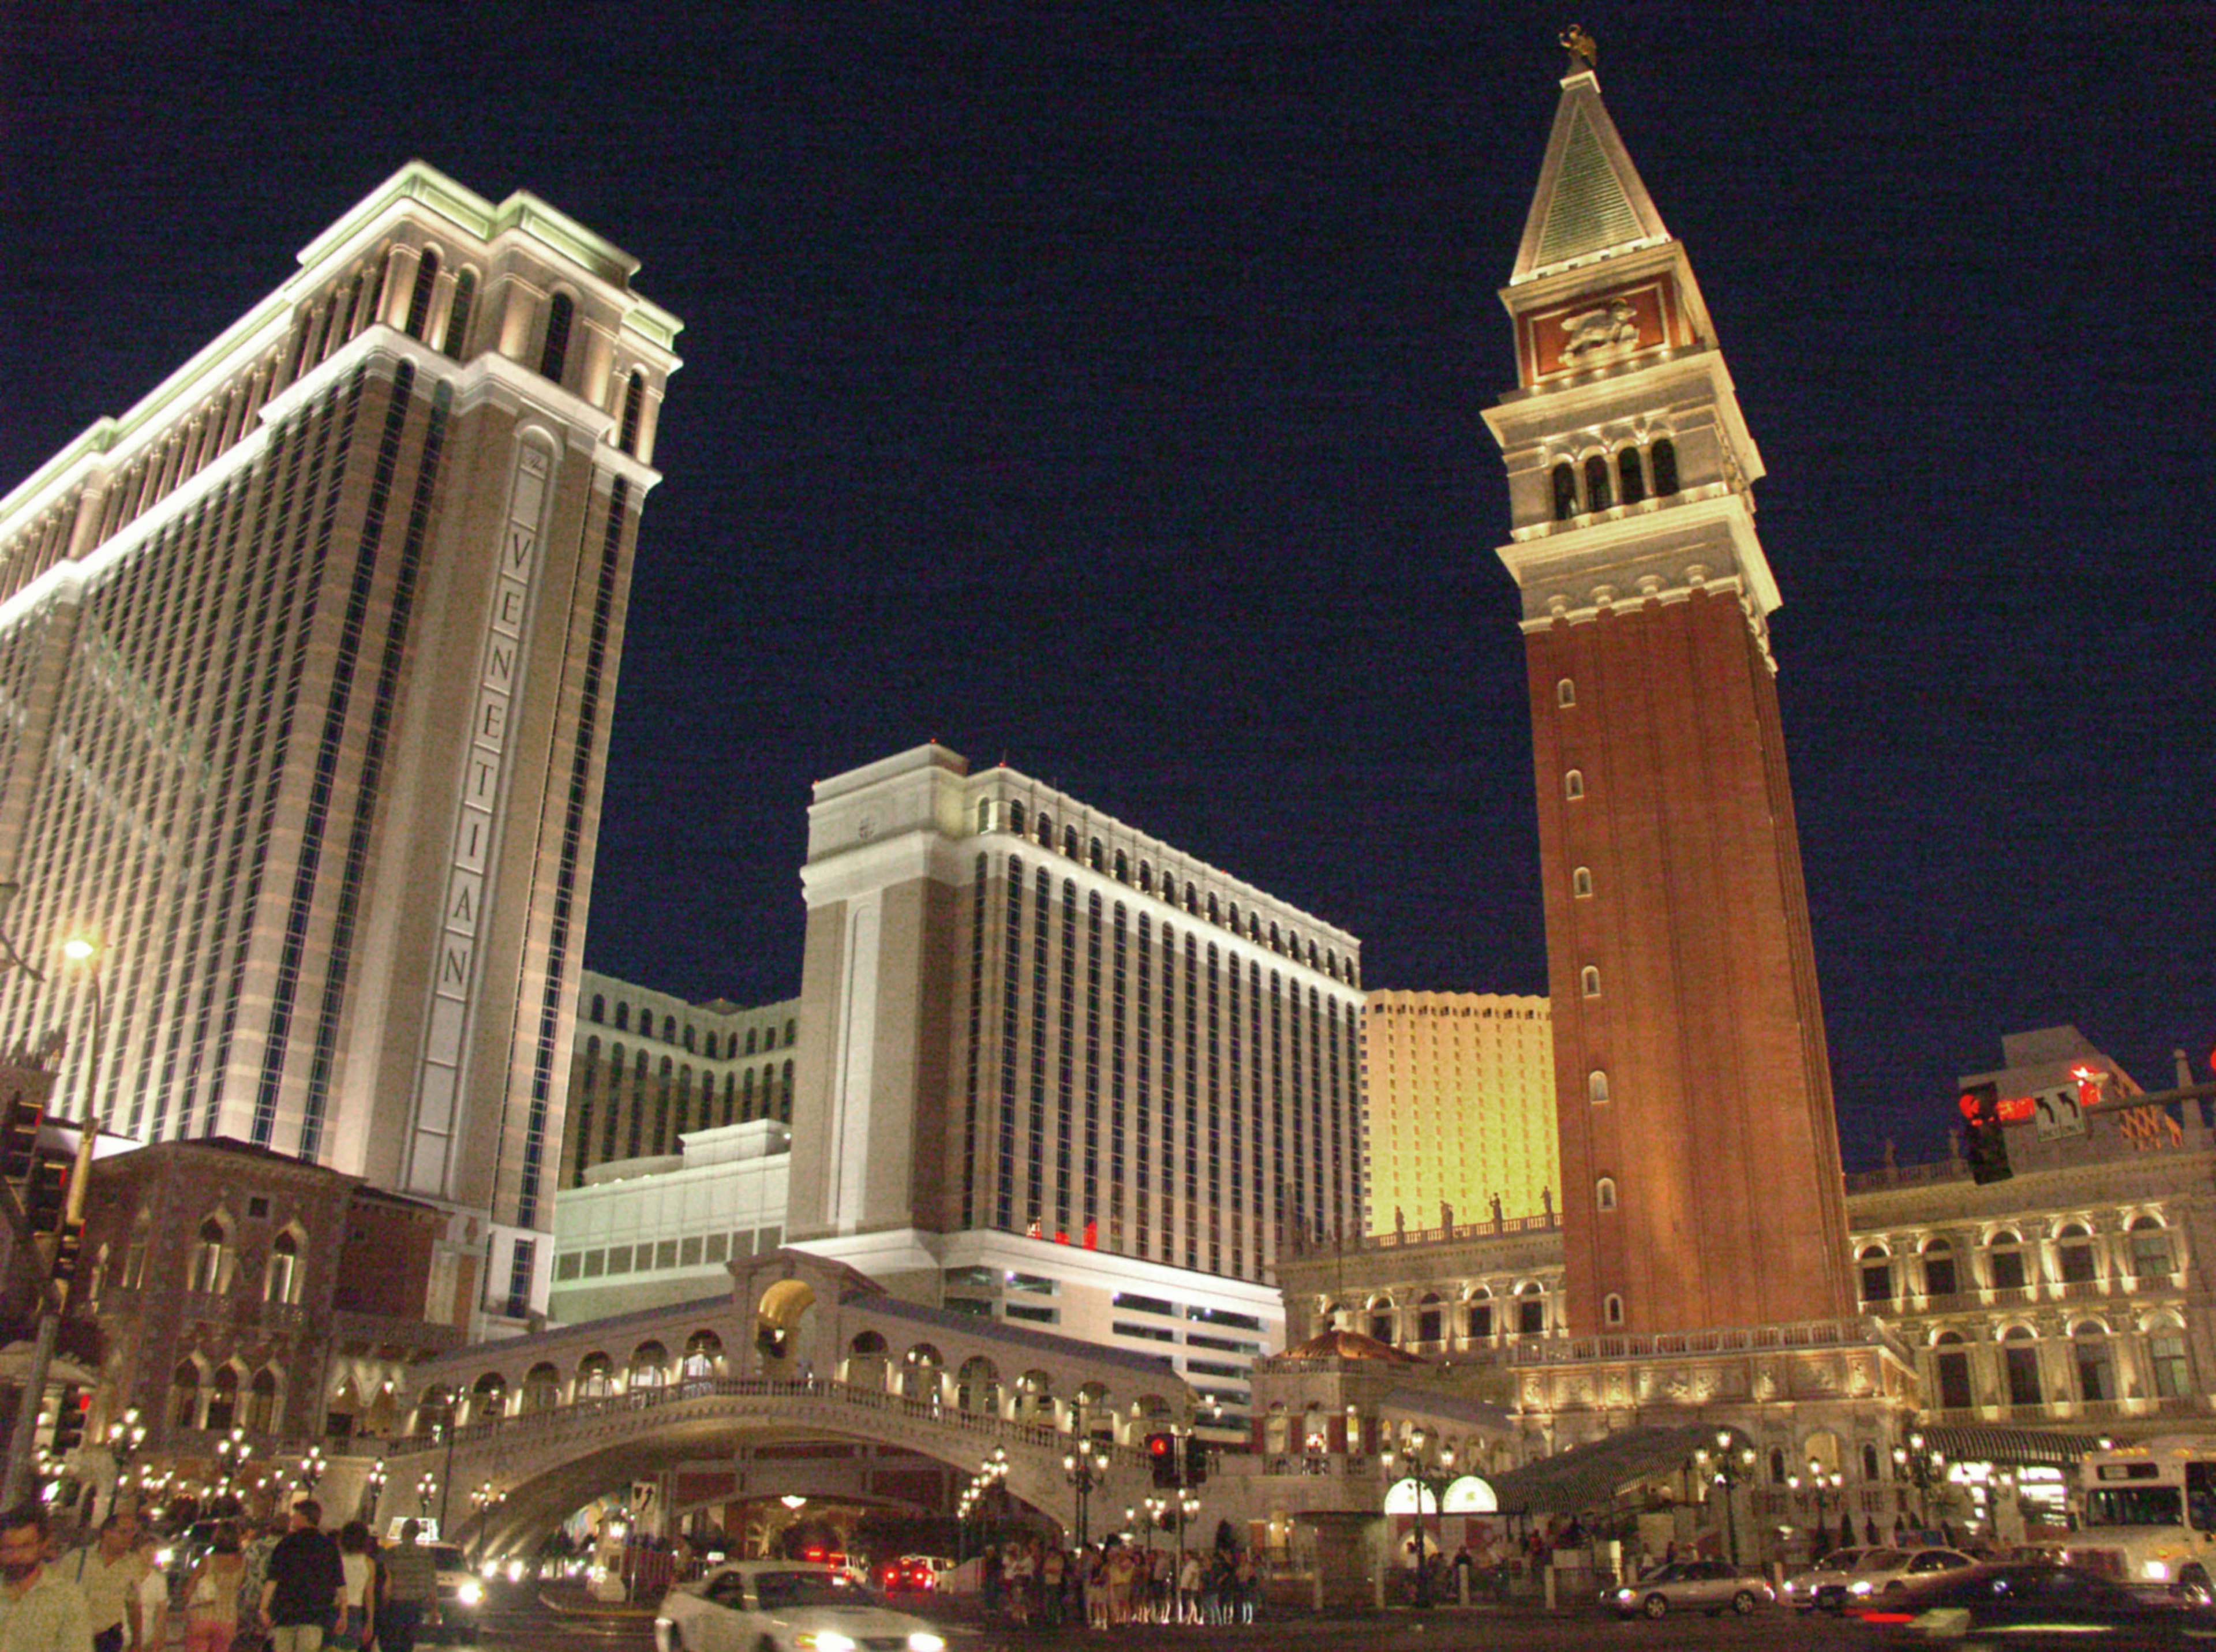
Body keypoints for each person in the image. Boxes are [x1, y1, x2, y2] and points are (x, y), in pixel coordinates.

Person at [0, 1501, 94, 1652]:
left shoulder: (67, 1598)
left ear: (43, 1545)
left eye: (26, 1546)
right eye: (8, 1548)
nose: (16, 1556)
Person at [259, 1501, 345, 1652]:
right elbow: (340, 1583)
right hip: (315, 1615)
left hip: (285, 1613)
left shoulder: (286, 1544)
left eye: (296, 1514)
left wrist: (264, 1608)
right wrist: (343, 1614)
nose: (292, 1518)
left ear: (304, 1517)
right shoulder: (328, 1546)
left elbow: (273, 1579)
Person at [65, 1511, 146, 1652]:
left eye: (132, 1533)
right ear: (107, 1533)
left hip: (107, 1638)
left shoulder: (132, 1564)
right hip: (75, 1635)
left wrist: (137, 1641)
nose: (129, 1538)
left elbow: (133, 1604)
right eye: (123, 1532)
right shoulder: (77, 1559)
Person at [182, 1523, 246, 1652]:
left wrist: (188, 1607)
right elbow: (241, 1588)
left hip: (202, 1615)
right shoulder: (243, 1563)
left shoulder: (207, 1561)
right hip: (228, 1618)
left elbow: (189, 1589)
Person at [375, 1523, 436, 1652]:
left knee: (392, 1641)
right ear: (417, 1534)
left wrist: (384, 1603)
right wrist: (434, 1609)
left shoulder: (392, 1553)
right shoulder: (425, 1555)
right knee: (407, 1642)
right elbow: (431, 1583)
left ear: (404, 1532)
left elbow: (387, 1581)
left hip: (395, 1604)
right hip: (415, 1604)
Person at [332, 1525, 375, 1651]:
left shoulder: (337, 1560)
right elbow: (369, 1596)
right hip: (355, 1611)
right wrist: (370, 1621)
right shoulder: (369, 1563)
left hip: (335, 1608)